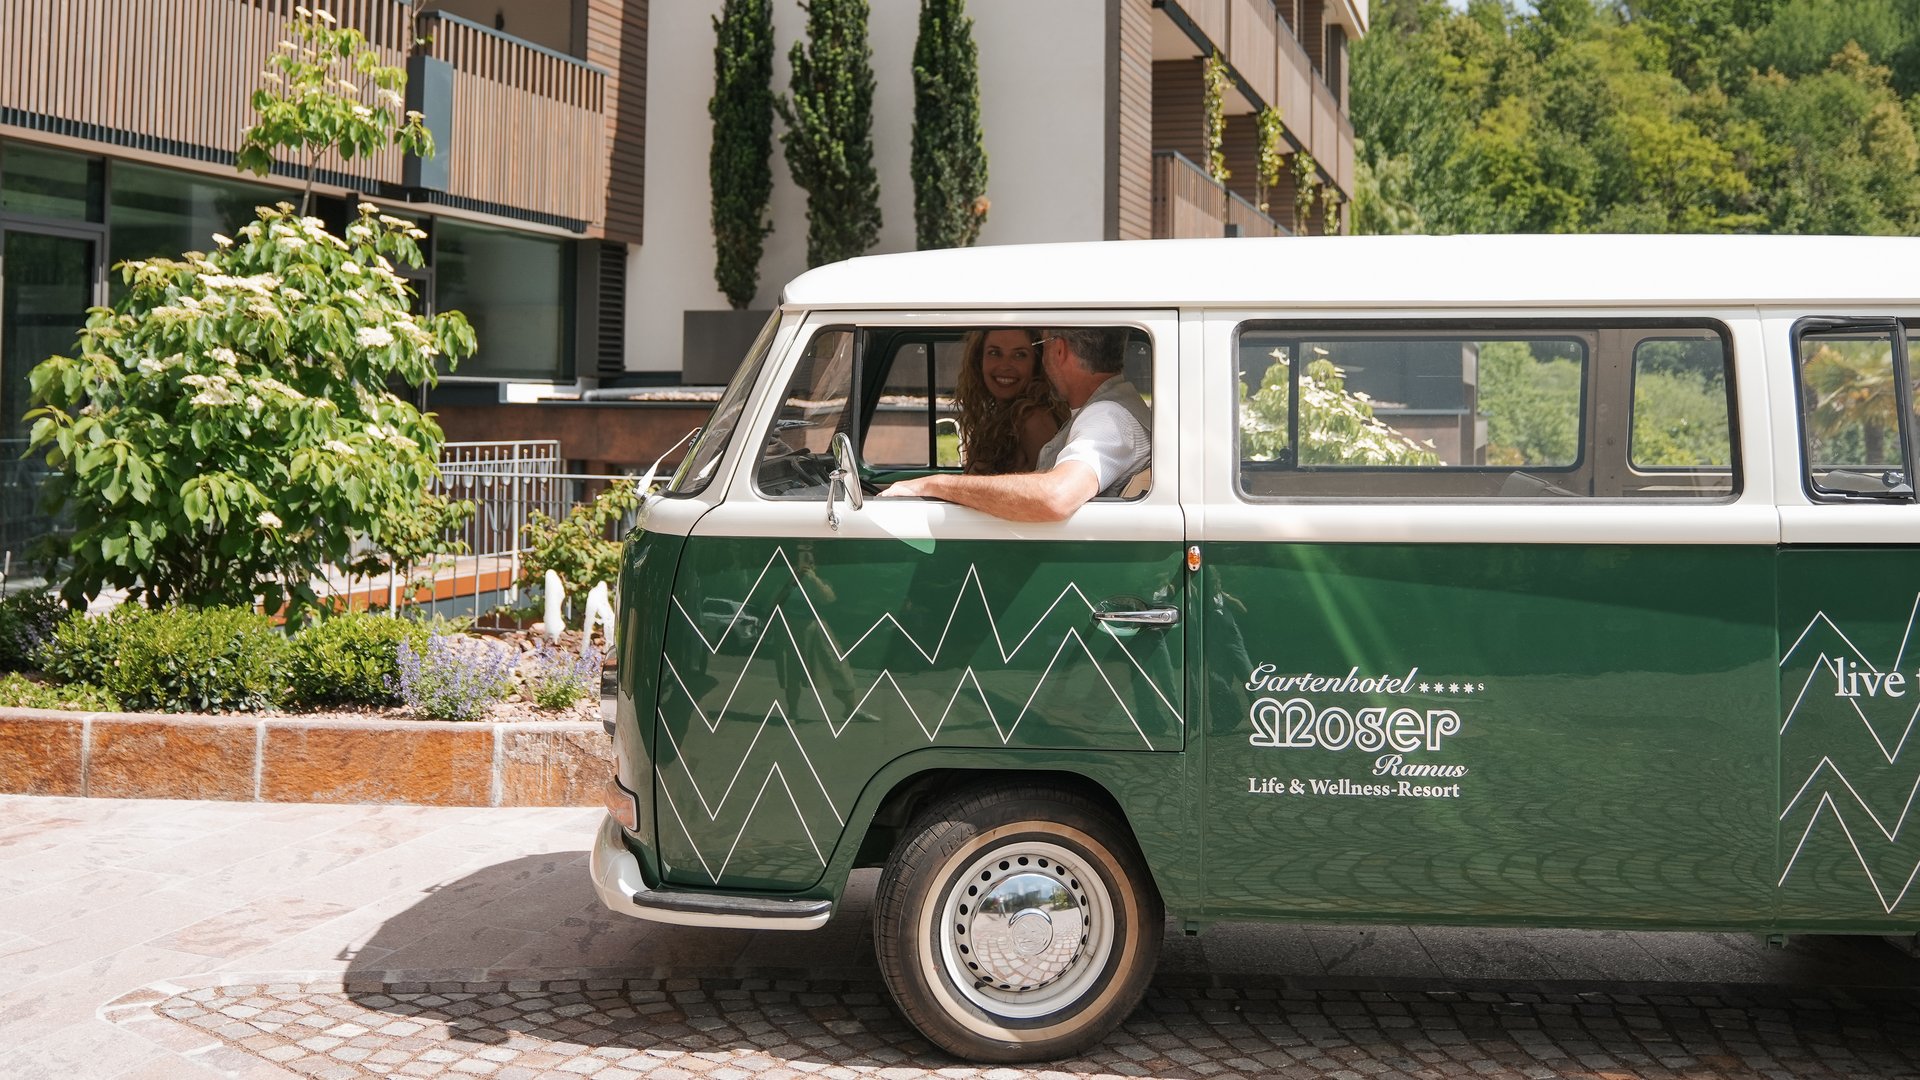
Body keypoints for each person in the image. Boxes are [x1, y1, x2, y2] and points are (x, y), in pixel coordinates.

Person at [882, 328, 1149, 522]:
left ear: (1058, 349)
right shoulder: (1106, 408)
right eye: (994, 353)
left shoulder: (1108, 416)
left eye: (1039, 346)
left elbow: (1055, 497)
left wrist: (935, 484)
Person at [953, 328, 1069, 475]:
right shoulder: (994, 419)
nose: (1005, 366)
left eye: (1020, 355)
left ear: (1037, 363)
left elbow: (1051, 488)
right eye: (995, 353)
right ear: (979, 360)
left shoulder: (1033, 420)